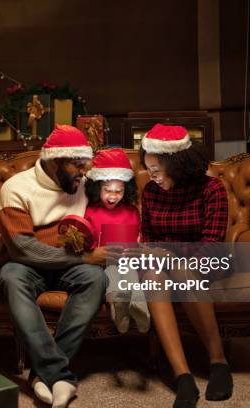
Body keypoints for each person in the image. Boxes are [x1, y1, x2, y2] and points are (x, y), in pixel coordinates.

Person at [0, 125, 110, 408]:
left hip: (70, 264)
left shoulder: (82, 184)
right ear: (55, 160)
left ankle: (43, 375)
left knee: (96, 278)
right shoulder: (16, 188)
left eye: (85, 164)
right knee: (10, 276)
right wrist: (83, 258)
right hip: (27, 265)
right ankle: (59, 375)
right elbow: (23, 248)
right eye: (77, 164)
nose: (83, 171)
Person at [139, 124, 234, 408]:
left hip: (205, 260)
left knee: (179, 267)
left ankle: (218, 361)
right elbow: (149, 239)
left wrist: (171, 254)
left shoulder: (211, 189)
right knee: (153, 273)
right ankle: (183, 376)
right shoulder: (151, 192)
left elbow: (211, 244)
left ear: (177, 164)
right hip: (163, 262)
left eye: (156, 170)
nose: (152, 177)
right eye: (148, 170)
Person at [83, 148, 150, 333]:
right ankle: (117, 309)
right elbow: (86, 240)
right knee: (112, 271)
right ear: (98, 188)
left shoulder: (131, 211)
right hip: (102, 262)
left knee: (129, 272)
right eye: (108, 191)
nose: (113, 196)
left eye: (118, 192)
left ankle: (139, 308)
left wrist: (137, 245)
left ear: (125, 190)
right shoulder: (90, 211)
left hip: (128, 259)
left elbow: (139, 235)